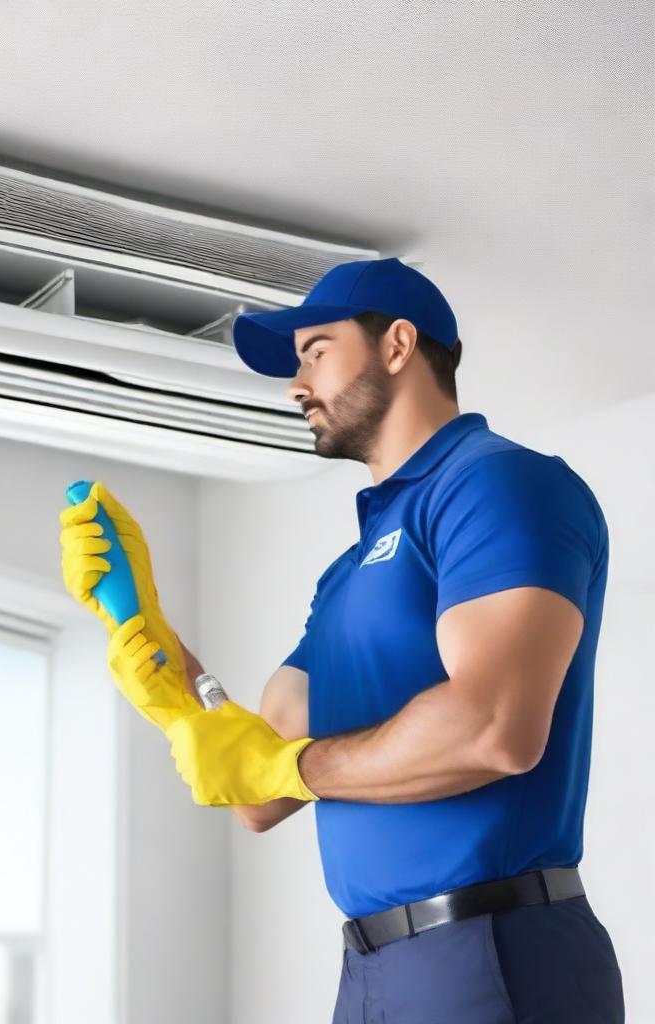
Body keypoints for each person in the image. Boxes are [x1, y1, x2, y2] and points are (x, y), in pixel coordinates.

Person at [171, 257, 623, 1021]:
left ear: (397, 345)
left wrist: (299, 768)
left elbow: (495, 729)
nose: (296, 383)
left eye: (316, 350)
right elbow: (258, 783)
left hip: (492, 949)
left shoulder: (498, 485)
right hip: (373, 970)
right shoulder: (352, 567)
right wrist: (148, 644)